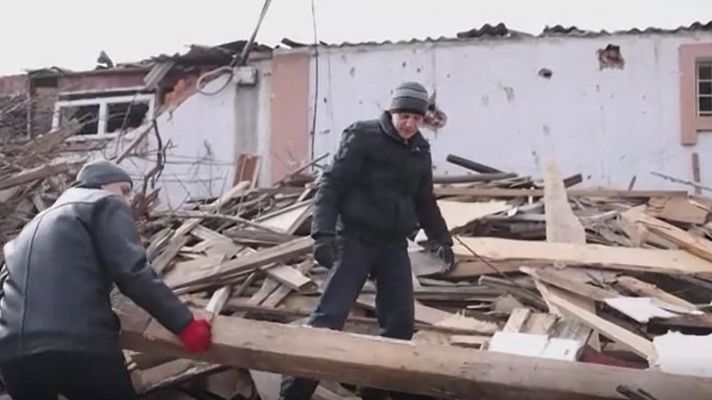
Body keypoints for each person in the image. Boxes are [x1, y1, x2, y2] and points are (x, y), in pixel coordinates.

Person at [280, 82, 455, 400]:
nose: (409, 125)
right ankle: (293, 394)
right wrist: (322, 233)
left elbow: (424, 199)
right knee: (329, 318)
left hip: (393, 244)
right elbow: (332, 185)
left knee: (400, 324)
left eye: (416, 119)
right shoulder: (363, 136)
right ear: (391, 111)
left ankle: (374, 390)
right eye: (404, 116)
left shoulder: (420, 149)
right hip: (356, 238)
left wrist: (442, 238)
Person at [0, 160, 212, 400]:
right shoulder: (101, 203)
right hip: (78, 348)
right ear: (101, 185)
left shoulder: (29, 229)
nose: (127, 200)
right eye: (124, 190)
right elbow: (133, 272)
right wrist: (184, 324)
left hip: (13, 356)